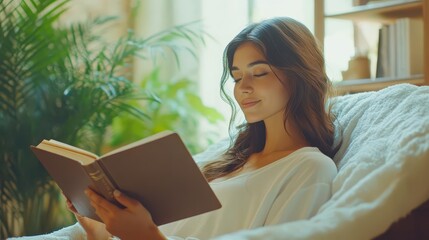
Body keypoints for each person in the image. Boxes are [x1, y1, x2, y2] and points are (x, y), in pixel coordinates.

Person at [12, 17, 339, 240]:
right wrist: (98, 222)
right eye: (237, 77)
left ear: (299, 75)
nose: (243, 88)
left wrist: (147, 235)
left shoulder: (309, 168)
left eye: (260, 73)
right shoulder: (230, 159)